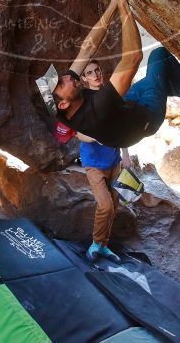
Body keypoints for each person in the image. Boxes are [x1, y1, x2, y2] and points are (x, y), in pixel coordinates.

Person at [52, 0, 180, 149]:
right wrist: (123, 4)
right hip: (147, 117)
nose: (67, 76)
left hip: (126, 105)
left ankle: (170, 85)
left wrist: (113, 4)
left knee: (152, 80)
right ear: (64, 104)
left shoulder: (61, 103)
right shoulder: (97, 113)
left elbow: (87, 49)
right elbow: (133, 58)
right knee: (159, 55)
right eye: (61, 82)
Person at [75, 61, 123, 263]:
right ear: (84, 78)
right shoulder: (83, 103)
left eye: (97, 70)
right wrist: (98, 136)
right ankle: (95, 244)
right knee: (105, 206)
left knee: (114, 205)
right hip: (93, 163)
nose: (95, 75)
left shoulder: (112, 96)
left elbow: (124, 127)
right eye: (89, 73)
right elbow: (79, 134)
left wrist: (126, 155)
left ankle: (104, 245)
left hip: (114, 160)